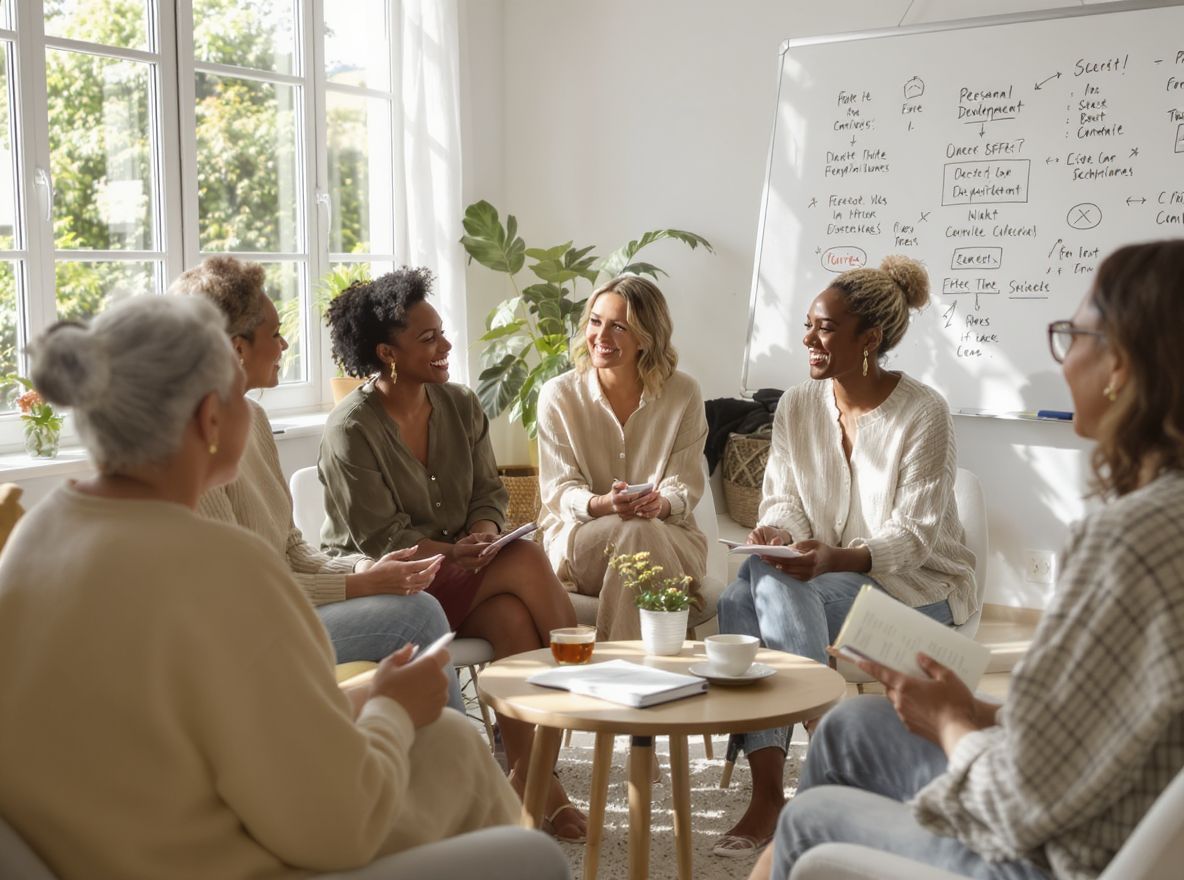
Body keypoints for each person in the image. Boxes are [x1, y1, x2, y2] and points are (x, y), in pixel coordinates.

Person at [0, 295, 525, 879]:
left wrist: (371, 694)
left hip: (122, 837)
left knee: (449, 739)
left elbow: (210, 724)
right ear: (210, 419)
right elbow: (336, 827)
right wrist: (393, 713)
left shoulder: (34, 538)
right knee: (491, 802)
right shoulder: (224, 566)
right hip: (215, 860)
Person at [755, 241, 1184, 880]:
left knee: (809, 821)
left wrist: (953, 723)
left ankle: (780, 820)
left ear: (1124, 363)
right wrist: (987, 713)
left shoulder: (1130, 541)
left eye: (1073, 336)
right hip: (1098, 801)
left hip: (1053, 856)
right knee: (853, 722)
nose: (1064, 364)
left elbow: (1017, 802)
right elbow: (1103, 725)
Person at [714, 255, 977, 858]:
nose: (807, 338)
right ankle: (799, 784)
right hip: (825, 583)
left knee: (747, 595)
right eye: (808, 324)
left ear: (871, 339)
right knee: (755, 582)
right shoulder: (798, 405)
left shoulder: (923, 412)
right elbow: (782, 501)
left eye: (824, 327)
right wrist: (778, 533)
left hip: (918, 591)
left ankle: (783, 793)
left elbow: (914, 536)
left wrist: (836, 557)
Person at [318, 267, 587, 843]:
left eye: (442, 333)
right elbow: (379, 538)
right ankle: (589, 681)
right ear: (387, 352)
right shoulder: (350, 430)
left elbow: (488, 492)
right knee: (526, 562)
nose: (445, 347)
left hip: (465, 572)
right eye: (428, 339)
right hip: (389, 584)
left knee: (514, 620)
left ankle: (532, 777)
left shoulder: (461, 404)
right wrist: (460, 551)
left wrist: (486, 529)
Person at [170, 257, 465, 714]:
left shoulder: (253, 419)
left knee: (415, 601)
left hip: (283, 607)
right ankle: (454, 764)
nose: (285, 344)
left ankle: (439, 766)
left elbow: (289, 545)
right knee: (417, 614)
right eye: (274, 334)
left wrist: (360, 572)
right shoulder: (189, 442)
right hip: (244, 632)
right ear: (237, 349)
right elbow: (239, 593)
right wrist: (356, 588)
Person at [536, 274, 708, 639]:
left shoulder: (684, 394)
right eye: (596, 321)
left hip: (671, 536)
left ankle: (619, 675)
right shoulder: (558, 396)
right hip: (582, 541)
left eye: (619, 327)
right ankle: (663, 666)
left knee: (639, 530)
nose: (601, 336)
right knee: (636, 532)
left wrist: (657, 506)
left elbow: (684, 485)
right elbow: (559, 491)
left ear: (646, 337)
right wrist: (605, 504)